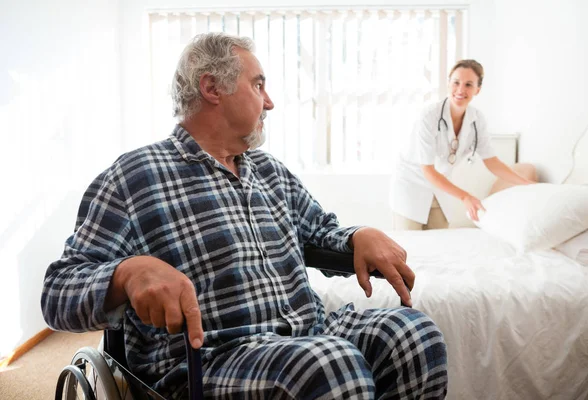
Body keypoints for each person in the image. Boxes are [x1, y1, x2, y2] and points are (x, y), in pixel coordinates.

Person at [41, 32, 447, 399]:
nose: (269, 101)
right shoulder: (135, 176)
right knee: (331, 365)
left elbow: (320, 231)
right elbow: (58, 291)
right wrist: (127, 274)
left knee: (415, 336)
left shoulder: (268, 170)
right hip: (212, 357)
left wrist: (358, 236)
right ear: (212, 87)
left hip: (312, 332)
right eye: (259, 85)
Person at [389, 59, 535, 230]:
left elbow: (492, 162)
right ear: (448, 84)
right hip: (412, 186)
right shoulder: (429, 116)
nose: (460, 89)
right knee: (408, 247)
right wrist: (465, 197)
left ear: (477, 89)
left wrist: (527, 185)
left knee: (438, 247)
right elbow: (427, 170)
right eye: (456, 82)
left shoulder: (477, 119)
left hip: (441, 190)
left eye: (468, 84)